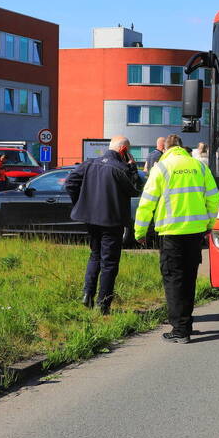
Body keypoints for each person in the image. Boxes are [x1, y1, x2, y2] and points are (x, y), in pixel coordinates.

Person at [134, 134, 219, 343]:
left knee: (173, 280)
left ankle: (180, 330)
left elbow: (146, 203)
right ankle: (186, 325)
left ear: (165, 149)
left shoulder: (161, 169)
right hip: (194, 234)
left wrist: (140, 232)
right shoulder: (199, 167)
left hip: (171, 234)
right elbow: (214, 199)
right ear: (183, 148)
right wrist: (209, 225)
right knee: (189, 280)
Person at [65, 135, 142, 315]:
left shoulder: (90, 163)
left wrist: (80, 203)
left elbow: (70, 183)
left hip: (91, 219)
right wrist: (132, 167)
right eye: (128, 152)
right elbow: (134, 189)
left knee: (95, 256)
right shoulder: (121, 168)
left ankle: (87, 294)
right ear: (123, 150)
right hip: (112, 221)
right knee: (109, 263)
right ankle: (103, 304)